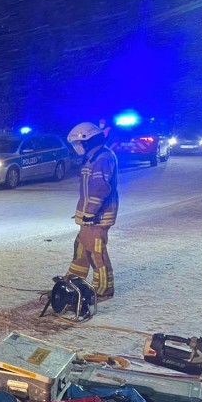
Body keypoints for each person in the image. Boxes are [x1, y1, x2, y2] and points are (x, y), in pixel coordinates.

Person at [64, 121, 119, 300]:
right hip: (90, 217)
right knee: (81, 248)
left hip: (97, 217)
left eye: (78, 143)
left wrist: (90, 212)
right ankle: (73, 282)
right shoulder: (94, 157)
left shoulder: (102, 158)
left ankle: (103, 288)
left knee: (96, 252)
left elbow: (100, 189)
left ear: (88, 141)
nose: (76, 147)